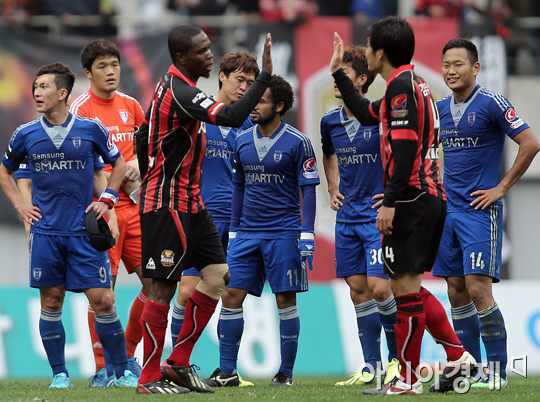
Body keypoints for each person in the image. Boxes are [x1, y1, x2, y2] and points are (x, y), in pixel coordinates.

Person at [330, 17, 475, 395]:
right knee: (406, 289)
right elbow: (366, 113)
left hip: (412, 198)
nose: (367, 49)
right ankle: (459, 358)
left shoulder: (400, 87)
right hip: (426, 196)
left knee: (403, 291)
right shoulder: (413, 83)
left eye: (368, 44)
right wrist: (341, 78)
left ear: (380, 52)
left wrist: (391, 201)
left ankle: (407, 380)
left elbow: (407, 147)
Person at [135, 25, 273, 394]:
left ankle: (178, 362)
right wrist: (265, 81)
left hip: (191, 203)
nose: (210, 55)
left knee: (217, 276)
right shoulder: (179, 90)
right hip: (167, 203)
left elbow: (141, 136)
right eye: (203, 50)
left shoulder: (181, 89)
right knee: (163, 289)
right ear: (182, 58)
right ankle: (148, 379)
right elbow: (227, 116)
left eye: (210, 47)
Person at [0, 62, 137, 388]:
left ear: (63, 93)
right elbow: (6, 171)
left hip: (84, 233)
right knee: (51, 302)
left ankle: (122, 371)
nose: (36, 92)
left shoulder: (91, 130)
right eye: (35, 88)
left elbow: (117, 165)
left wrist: (107, 199)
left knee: (103, 300)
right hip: (47, 234)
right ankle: (60, 375)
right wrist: (21, 206)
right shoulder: (25, 133)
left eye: (44, 87)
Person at [432, 37, 540, 390]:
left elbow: (530, 142)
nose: (451, 71)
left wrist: (502, 187)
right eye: (447, 64)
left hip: (481, 212)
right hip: (450, 213)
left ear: (475, 68)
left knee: (478, 290)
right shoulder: (440, 109)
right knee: (455, 290)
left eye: (458, 64)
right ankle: (469, 368)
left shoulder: (491, 102)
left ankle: (497, 373)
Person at [203, 75, 319, 387]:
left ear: (279, 106)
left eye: (261, 101)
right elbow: (238, 188)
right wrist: (236, 231)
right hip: (247, 235)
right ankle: (227, 371)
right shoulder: (241, 140)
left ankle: (286, 374)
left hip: (284, 232)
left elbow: (308, 191)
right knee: (230, 295)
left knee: (285, 301)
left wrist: (306, 234)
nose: (253, 106)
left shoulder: (298, 142)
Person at [169, 51, 259, 387]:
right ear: (221, 76)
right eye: (240, 80)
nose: (244, 87)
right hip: (200, 216)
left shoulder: (249, 122)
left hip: (239, 222)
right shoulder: (199, 111)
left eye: (250, 83)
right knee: (186, 290)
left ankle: (227, 371)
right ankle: (179, 364)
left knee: (231, 292)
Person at [69, 38, 148, 386]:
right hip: (104, 212)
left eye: (114, 64)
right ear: (88, 72)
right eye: (102, 66)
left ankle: (127, 354)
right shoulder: (80, 109)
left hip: (137, 208)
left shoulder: (131, 105)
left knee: (156, 284)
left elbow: (149, 150)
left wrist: (135, 165)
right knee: (104, 292)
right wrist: (112, 194)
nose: (111, 71)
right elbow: (81, 165)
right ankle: (103, 367)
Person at [321, 45, 399, 386]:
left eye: (344, 77)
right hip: (347, 217)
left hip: (375, 217)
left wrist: (393, 197)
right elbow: (328, 154)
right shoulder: (329, 122)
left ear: (362, 80)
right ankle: (372, 365)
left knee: (381, 288)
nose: (336, 83)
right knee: (358, 290)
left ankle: (398, 359)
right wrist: (331, 185)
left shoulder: (380, 117)